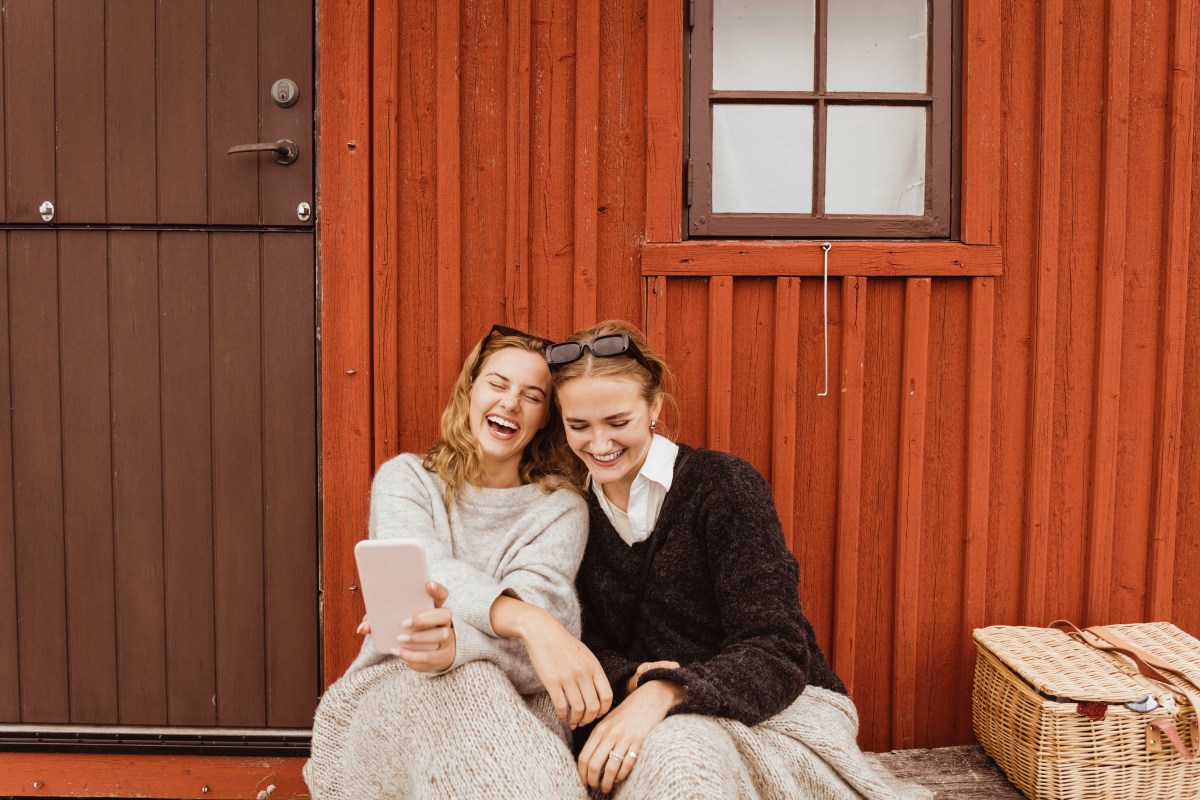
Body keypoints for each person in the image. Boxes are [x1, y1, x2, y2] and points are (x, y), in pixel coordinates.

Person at [545, 320, 924, 800]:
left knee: (680, 762)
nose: (598, 445)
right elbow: (581, 640)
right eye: (579, 426)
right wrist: (632, 679)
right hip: (643, 711)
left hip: (777, 704)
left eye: (618, 423)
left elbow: (777, 647)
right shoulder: (566, 508)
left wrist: (666, 690)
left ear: (655, 407)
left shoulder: (722, 485)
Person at [304, 325, 609, 800]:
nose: (510, 403)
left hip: (521, 711)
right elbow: (428, 570)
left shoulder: (561, 508)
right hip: (399, 686)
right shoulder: (407, 480)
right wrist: (529, 621)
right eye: (498, 384)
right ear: (470, 390)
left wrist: (456, 646)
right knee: (467, 683)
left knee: (474, 679)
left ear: (545, 418)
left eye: (532, 396)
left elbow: (539, 668)